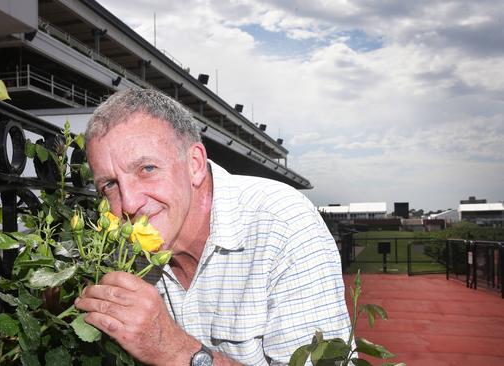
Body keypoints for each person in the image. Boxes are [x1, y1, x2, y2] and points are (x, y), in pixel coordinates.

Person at [74, 88, 351, 365]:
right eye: (110, 184)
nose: (130, 203)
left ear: (194, 164)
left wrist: (175, 350)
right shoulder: (116, 250)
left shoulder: (282, 222)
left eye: (147, 169)